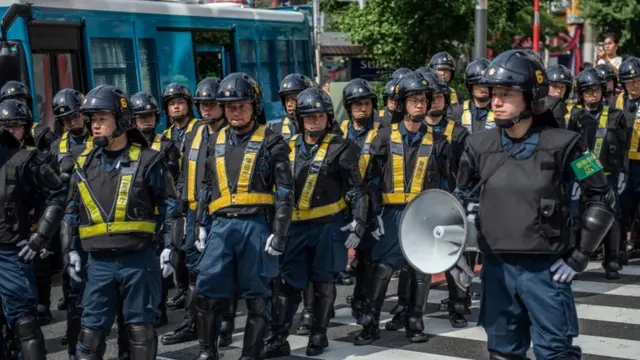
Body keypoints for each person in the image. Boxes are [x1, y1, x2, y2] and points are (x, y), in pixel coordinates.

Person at [455, 49, 616, 360]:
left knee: (555, 353)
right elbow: (459, 201)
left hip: (547, 271)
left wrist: (579, 256)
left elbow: (602, 196)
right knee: (501, 352)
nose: (496, 102)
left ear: (532, 98)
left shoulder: (566, 143)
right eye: (493, 94)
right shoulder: (476, 146)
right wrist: (454, 253)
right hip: (496, 269)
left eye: (506, 94)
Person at [63, 85, 180, 359]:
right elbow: (70, 210)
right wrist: (70, 249)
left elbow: (170, 207)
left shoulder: (150, 161)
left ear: (122, 121)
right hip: (98, 264)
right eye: (92, 120)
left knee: (140, 332)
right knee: (89, 337)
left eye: (102, 119)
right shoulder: (83, 163)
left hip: (138, 260)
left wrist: (169, 247)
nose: (94, 126)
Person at [194, 72, 293, 360]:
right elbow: (205, 186)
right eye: (229, 107)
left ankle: (250, 355)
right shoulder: (214, 140)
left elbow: (286, 190)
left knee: (257, 298)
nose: (235, 112)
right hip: (221, 227)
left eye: (241, 106)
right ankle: (206, 351)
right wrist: (201, 223)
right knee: (207, 291)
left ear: (254, 107)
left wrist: (280, 231)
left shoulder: (273, 141)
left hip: (256, 226)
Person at [263, 87, 367, 357]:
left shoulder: (342, 148)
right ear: (299, 119)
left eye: (319, 116)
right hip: (295, 228)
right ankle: (278, 337)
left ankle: (319, 335)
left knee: (323, 283)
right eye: (308, 116)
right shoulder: (286, 147)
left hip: (328, 227)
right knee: (286, 284)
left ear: (327, 117)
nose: (313, 121)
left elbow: (357, 189)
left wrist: (358, 221)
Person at [353, 71, 453, 345]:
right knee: (382, 270)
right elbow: (368, 180)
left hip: (424, 214)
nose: (420, 104)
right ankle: (371, 323)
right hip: (391, 215)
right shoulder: (383, 137)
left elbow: (447, 183)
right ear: (401, 103)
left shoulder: (440, 141)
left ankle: (414, 320)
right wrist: (373, 214)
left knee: (420, 270)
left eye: (423, 99)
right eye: (413, 100)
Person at [0, 98, 68, 360]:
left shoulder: (28, 159)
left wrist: (40, 236)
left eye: (16, 126)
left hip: (11, 251)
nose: (10, 131)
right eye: (6, 125)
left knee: (25, 322)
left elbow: (59, 193)